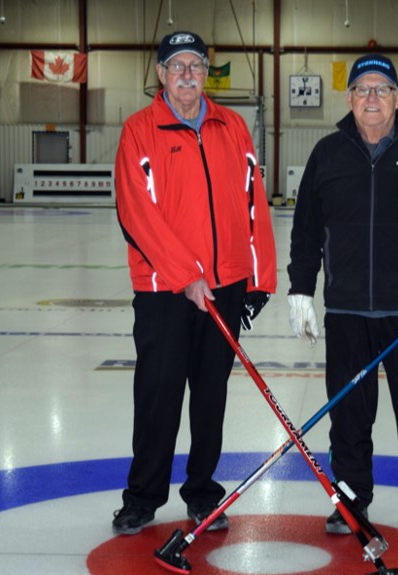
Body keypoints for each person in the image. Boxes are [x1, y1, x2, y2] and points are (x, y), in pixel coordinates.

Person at [287, 54, 398, 535]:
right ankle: (351, 501)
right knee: (348, 416)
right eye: (362, 89)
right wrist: (301, 289)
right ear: (348, 99)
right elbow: (305, 231)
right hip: (345, 312)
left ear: (397, 97)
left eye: (381, 89)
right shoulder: (327, 154)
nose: (372, 97)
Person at [112, 31, 277, 535]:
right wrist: (185, 276)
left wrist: (259, 279)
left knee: (210, 397)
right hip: (164, 290)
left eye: (196, 65)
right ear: (160, 75)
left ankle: (203, 493)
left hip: (225, 286)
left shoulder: (232, 127)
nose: (187, 74)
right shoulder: (140, 130)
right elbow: (136, 213)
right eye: (177, 65)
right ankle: (142, 497)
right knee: (158, 394)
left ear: (208, 73)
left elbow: (255, 205)